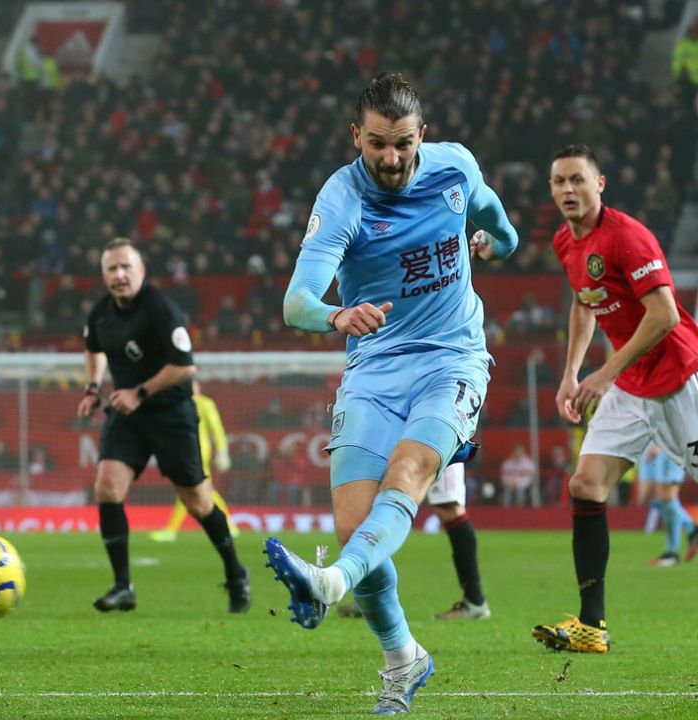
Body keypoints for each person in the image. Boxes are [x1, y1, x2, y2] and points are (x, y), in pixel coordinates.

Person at [264, 73, 518, 714]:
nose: (390, 158)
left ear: (421, 136)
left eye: (402, 143)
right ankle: (403, 657)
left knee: (409, 471)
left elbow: (499, 224)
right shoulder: (343, 199)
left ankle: (330, 581)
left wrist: (499, 244)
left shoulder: (454, 169)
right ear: (357, 136)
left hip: (452, 358)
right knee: (353, 524)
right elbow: (296, 301)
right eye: (376, 143)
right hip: (374, 367)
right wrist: (336, 316)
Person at [532, 145, 698, 654]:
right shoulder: (566, 241)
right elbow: (586, 304)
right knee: (585, 485)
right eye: (559, 181)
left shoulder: (627, 237)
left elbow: (666, 314)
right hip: (630, 385)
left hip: (677, 380)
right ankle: (591, 625)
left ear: (599, 183)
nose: (567, 190)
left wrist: (604, 373)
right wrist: (571, 373)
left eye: (577, 180)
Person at [77, 238, 251, 614]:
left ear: (141, 271)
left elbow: (184, 365)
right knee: (107, 486)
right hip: (127, 415)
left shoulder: (161, 308)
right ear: (104, 275)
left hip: (171, 414)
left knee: (197, 501)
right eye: (112, 268)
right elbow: (94, 348)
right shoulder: (101, 314)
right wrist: (93, 388)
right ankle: (123, 586)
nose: (119, 275)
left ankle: (236, 574)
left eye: (126, 267)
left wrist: (140, 391)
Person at [336, 461, 492, 622]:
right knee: (380, 502)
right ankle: (372, 599)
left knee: (449, 509)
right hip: (401, 442)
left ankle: (475, 601)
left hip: (439, 440)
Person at [150, 378, 238, 542]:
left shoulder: (205, 404)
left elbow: (216, 429)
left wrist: (222, 451)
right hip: (183, 451)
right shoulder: (177, 404)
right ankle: (229, 525)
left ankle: (171, 530)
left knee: (190, 489)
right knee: (202, 490)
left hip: (199, 453)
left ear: (198, 387)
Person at [637, 442, 694, 566]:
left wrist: (660, 444)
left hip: (669, 445)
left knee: (667, 497)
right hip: (650, 442)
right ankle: (691, 528)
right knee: (650, 497)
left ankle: (672, 552)